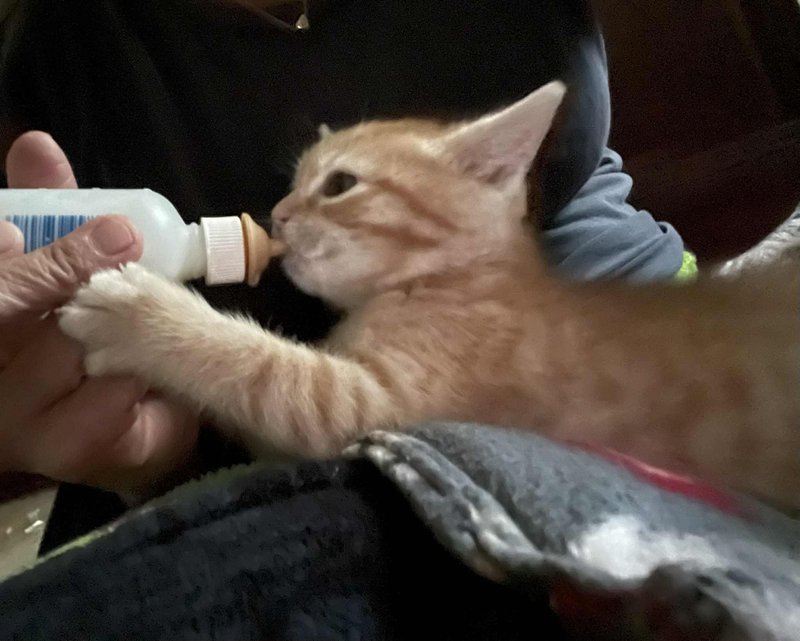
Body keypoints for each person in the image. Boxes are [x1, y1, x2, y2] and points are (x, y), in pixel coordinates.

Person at [0, 0, 690, 521]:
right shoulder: (56, 59)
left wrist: (170, 331)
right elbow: (344, 420)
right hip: (233, 467)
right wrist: (150, 452)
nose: (281, 214)